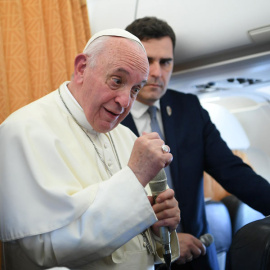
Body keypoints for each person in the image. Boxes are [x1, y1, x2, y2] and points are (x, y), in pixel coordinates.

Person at [0, 28, 181, 270]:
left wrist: (158, 228)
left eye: (135, 89)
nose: (126, 101)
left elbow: (142, 247)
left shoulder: (127, 137)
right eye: (117, 80)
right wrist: (135, 176)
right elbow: (41, 252)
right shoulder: (21, 130)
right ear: (82, 68)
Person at [122, 17, 270, 270]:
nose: (157, 73)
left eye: (165, 62)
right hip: (141, 259)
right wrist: (163, 244)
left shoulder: (188, 108)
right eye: (148, 61)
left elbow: (232, 170)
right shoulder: (113, 116)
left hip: (198, 254)